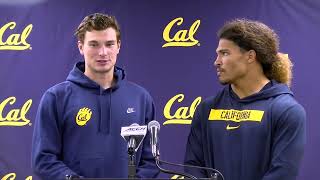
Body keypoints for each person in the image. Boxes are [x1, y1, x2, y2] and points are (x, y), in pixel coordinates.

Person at [31, 13, 159, 179]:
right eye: (94, 44)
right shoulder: (56, 98)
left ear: (118, 46)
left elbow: (151, 162)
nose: (103, 52)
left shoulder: (141, 98)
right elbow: (44, 160)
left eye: (109, 44)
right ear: (80, 47)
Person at [184, 19, 306, 180]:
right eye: (218, 54)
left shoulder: (287, 111)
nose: (217, 62)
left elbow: (282, 173)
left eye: (225, 53)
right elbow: (193, 166)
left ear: (250, 56)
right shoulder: (207, 109)